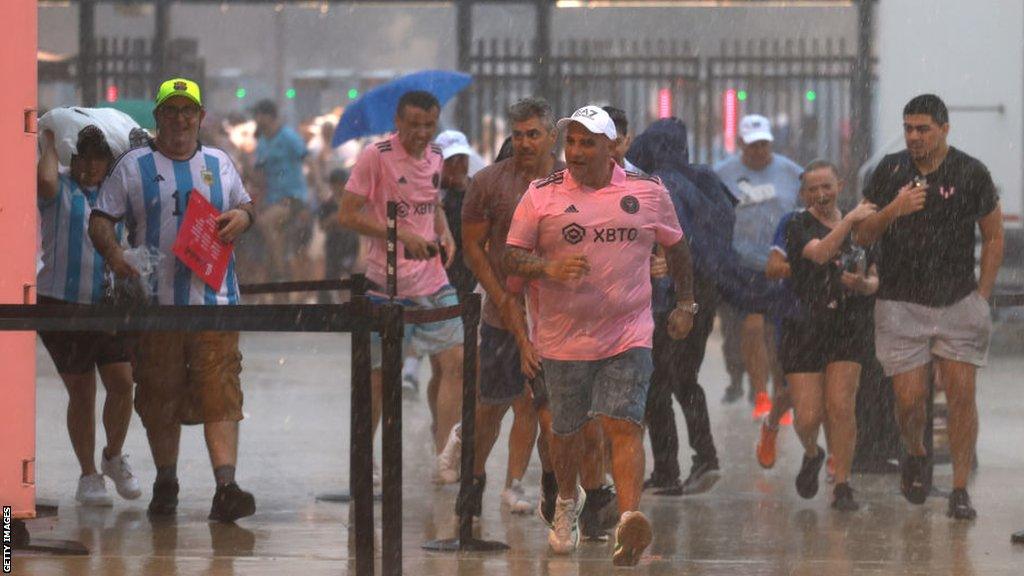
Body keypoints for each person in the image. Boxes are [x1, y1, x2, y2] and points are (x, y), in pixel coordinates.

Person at [505, 105, 695, 565]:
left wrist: (686, 303)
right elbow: (511, 259)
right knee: (566, 431)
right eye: (570, 141)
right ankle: (567, 502)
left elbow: (677, 246)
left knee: (624, 424)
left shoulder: (647, 191)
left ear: (613, 147)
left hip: (628, 332)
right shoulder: (541, 194)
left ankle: (629, 517)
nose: (575, 151)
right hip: (563, 337)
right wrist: (549, 267)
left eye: (588, 142)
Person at [89, 77, 258, 522]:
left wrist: (242, 217)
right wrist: (115, 254)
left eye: (189, 110)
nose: (180, 118)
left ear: (201, 117)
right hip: (156, 307)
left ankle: (226, 488)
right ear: (157, 117)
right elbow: (101, 219)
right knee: (159, 394)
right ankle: (166, 480)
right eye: (171, 110)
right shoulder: (132, 167)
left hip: (215, 305)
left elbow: (246, 207)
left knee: (220, 391)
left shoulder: (221, 163)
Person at [855, 94, 1003, 520]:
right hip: (900, 302)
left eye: (923, 129)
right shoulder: (890, 172)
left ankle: (959, 489)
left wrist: (983, 295)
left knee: (961, 395)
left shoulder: (970, 172)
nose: (914, 136)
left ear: (944, 129)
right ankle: (916, 453)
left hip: (958, 300)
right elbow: (862, 235)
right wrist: (893, 210)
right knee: (909, 402)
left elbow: (993, 235)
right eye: (908, 129)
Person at [337, 90, 465, 483]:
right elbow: (347, 215)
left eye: (429, 125)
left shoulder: (437, 157)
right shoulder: (375, 156)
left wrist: (443, 232)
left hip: (433, 278)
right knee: (378, 378)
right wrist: (398, 234)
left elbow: (433, 201)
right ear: (398, 121)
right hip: (385, 281)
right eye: (414, 126)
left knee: (456, 363)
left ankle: (445, 453)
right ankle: (366, 458)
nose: (421, 134)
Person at [460, 98, 559, 518]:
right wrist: (498, 295)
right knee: (490, 407)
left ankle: (556, 491)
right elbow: (472, 248)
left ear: (551, 137)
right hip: (502, 317)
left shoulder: (571, 182)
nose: (524, 143)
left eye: (533, 134)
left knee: (553, 414)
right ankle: (473, 481)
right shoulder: (488, 183)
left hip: (559, 320)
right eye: (517, 135)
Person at [36, 125, 140, 507]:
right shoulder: (58, 188)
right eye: (84, 156)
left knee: (122, 383)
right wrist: (50, 139)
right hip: (61, 303)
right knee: (82, 391)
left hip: (108, 303)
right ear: (73, 158)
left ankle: (113, 456)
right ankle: (88, 475)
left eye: (100, 158)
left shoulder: (117, 196)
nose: (92, 165)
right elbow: (44, 178)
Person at [626, 118, 724, 496]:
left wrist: (669, 298)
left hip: (672, 297)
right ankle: (703, 456)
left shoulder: (661, 186)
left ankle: (669, 468)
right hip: (703, 292)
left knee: (657, 384)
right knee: (684, 378)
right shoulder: (702, 181)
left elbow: (672, 245)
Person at [778, 160, 878, 510]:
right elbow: (820, 254)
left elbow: (875, 274)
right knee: (807, 416)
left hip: (847, 327)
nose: (821, 194)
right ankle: (812, 451)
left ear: (840, 184)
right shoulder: (796, 224)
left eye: (827, 187)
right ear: (804, 193)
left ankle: (843, 483)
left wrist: (865, 284)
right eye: (813, 189)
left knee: (841, 406)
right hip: (804, 327)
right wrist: (848, 220)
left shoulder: (862, 225)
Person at [714, 114, 802, 418]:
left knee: (776, 333)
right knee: (751, 329)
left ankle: (780, 390)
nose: (759, 151)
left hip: (781, 264)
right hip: (742, 265)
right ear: (740, 144)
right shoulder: (722, 173)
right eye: (752, 145)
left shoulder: (791, 172)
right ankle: (760, 392)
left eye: (764, 144)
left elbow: (806, 211)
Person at [252, 99, 312, 287]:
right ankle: (280, 267)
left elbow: (308, 158)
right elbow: (260, 177)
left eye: (259, 114)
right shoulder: (261, 142)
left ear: (268, 116)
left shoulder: (288, 136)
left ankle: (281, 271)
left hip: (293, 197)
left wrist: (317, 186)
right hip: (273, 200)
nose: (256, 119)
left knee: (265, 222)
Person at [317, 168, 361, 303]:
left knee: (350, 275)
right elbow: (322, 225)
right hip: (333, 246)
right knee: (331, 277)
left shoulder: (354, 202)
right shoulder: (327, 205)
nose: (339, 187)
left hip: (351, 244)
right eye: (336, 184)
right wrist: (333, 220)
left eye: (342, 183)